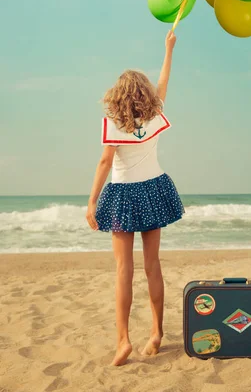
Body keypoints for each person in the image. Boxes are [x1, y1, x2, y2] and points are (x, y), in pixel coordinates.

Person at [86, 31, 184, 366]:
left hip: (123, 194)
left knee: (123, 270)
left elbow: (105, 162)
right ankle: (156, 333)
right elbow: (164, 78)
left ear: (117, 96)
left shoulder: (113, 123)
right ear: (144, 93)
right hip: (153, 189)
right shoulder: (155, 115)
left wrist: (91, 202)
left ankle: (123, 341)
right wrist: (168, 49)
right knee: (152, 266)